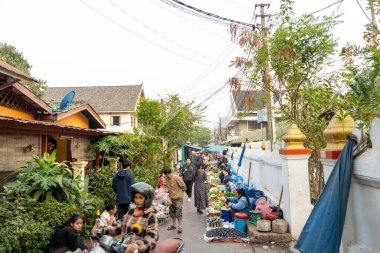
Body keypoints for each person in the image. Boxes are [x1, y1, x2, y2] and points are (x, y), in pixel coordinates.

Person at [120, 182, 159, 253]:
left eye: (141, 198)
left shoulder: (151, 216)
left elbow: (152, 237)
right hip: (125, 249)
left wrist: (137, 245)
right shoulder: (130, 212)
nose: (137, 201)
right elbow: (119, 225)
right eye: (136, 197)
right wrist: (102, 230)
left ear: (147, 199)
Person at [162, 167, 186, 233]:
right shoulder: (167, 179)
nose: (165, 176)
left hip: (178, 199)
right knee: (172, 212)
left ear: (167, 173)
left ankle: (180, 227)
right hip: (171, 199)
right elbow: (168, 187)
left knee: (179, 213)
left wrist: (179, 193)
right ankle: (173, 225)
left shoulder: (176, 178)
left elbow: (184, 186)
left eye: (165, 174)